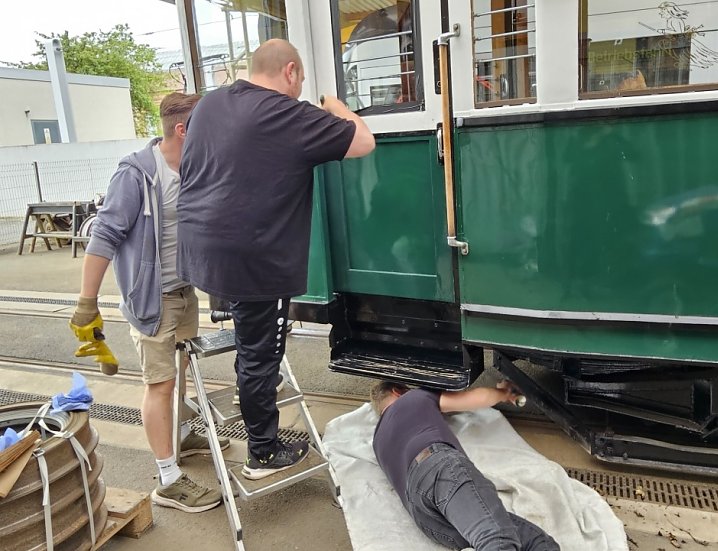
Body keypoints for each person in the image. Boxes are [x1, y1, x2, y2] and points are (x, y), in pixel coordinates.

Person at [177, 39, 375, 480]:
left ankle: (250, 390)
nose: (298, 89)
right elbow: (364, 141)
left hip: (201, 249)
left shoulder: (208, 105)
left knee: (251, 344)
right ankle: (262, 452)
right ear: (289, 71)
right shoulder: (287, 113)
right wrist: (333, 104)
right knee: (260, 354)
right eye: (299, 80)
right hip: (252, 258)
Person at [70, 92, 226, 513]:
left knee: (182, 370)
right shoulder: (137, 174)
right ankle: (168, 479)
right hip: (151, 296)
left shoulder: (194, 166)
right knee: (160, 384)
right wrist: (88, 303)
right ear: (182, 130)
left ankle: (179, 434)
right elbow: (103, 236)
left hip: (183, 290)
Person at [371, 381, 561, 551]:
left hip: (423, 515)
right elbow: (473, 398)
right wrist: (504, 393)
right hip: (438, 469)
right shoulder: (414, 397)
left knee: (538, 542)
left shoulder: (378, 441)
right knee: (498, 541)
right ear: (398, 391)